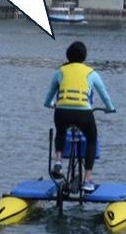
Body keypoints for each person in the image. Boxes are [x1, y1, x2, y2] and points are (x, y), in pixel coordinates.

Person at [43, 41, 115, 192]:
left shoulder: (60, 71)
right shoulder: (91, 73)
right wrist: (110, 108)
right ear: (84, 57)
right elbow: (104, 94)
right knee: (91, 140)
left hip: (62, 111)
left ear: (68, 56)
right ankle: (87, 180)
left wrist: (49, 104)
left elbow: (50, 94)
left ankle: (58, 161)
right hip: (83, 113)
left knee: (60, 133)